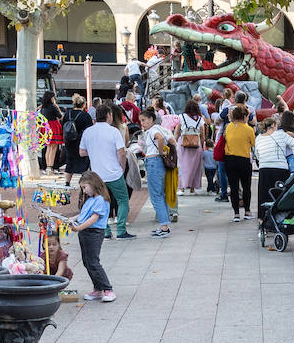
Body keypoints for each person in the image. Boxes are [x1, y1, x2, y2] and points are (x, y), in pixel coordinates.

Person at [79, 104, 131, 240]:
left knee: (101, 202)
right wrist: (122, 167)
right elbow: (121, 153)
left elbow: (82, 152)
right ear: (108, 115)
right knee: (123, 200)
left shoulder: (88, 132)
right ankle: (121, 230)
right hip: (114, 173)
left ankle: (106, 231)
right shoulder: (113, 131)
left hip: (97, 174)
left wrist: (95, 151)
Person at [66, 172, 115, 302]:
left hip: (94, 233)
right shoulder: (91, 200)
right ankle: (98, 288)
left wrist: (78, 228)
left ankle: (108, 289)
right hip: (85, 232)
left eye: (84, 187)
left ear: (93, 183)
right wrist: (70, 220)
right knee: (87, 262)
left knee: (93, 262)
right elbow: (83, 215)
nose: (84, 191)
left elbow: (94, 218)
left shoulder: (101, 200)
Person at [134, 107, 175, 239]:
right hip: (157, 163)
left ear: (151, 119)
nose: (142, 123)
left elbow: (160, 138)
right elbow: (171, 140)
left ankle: (164, 227)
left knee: (156, 196)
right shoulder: (159, 128)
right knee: (160, 195)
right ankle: (164, 225)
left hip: (153, 162)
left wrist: (160, 152)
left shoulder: (153, 130)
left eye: (144, 120)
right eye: (140, 120)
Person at [253, 115, 294, 224]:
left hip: (264, 169)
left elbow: (257, 154)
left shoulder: (259, 138)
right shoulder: (281, 135)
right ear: (274, 125)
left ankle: (263, 220)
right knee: (281, 195)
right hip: (280, 168)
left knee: (264, 195)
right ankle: (281, 218)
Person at [221, 105, 256, 222]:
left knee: (234, 187)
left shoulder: (228, 127)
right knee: (246, 186)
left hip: (229, 159)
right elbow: (253, 143)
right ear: (244, 116)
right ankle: (247, 211)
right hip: (244, 159)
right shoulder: (248, 129)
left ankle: (236, 213)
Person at [176, 100, 207, 194]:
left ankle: (182, 187)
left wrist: (174, 143)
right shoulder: (200, 119)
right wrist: (202, 145)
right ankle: (192, 187)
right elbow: (202, 135)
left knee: (182, 166)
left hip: (183, 143)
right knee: (194, 166)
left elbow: (177, 132)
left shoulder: (181, 117)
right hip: (196, 144)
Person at [62, 94, 93, 186]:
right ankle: (83, 182)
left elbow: (63, 125)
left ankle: (67, 182)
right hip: (81, 141)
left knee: (70, 161)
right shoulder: (85, 115)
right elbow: (89, 129)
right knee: (83, 162)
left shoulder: (68, 113)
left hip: (69, 141)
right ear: (84, 105)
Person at [40, 93, 62, 172]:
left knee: (48, 148)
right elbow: (60, 116)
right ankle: (51, 166)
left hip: (46, 127)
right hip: (53, 127)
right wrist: (58, 108)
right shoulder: (53, 107)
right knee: (54, 148)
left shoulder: (43, 107)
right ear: (51, 98)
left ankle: (47, 167)